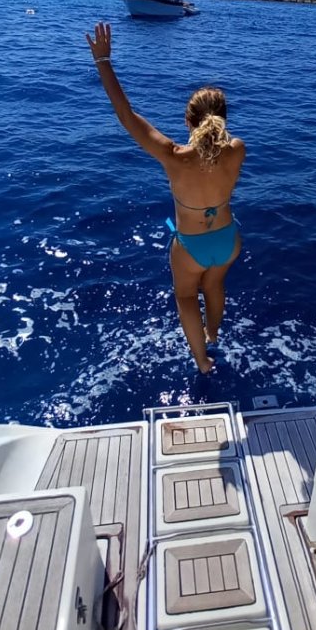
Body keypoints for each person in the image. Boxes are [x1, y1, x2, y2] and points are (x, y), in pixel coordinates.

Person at [85, 21, 244, 373]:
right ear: (222, 119)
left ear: (188, 121)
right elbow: (218, 144)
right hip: (227, 238)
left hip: (191, 245)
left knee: (186, 295)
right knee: (215, 284)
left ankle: (202, 361)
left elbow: (126, 116)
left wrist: (103, 62)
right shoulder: (237, 149)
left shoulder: (173, 156)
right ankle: (213, 335)